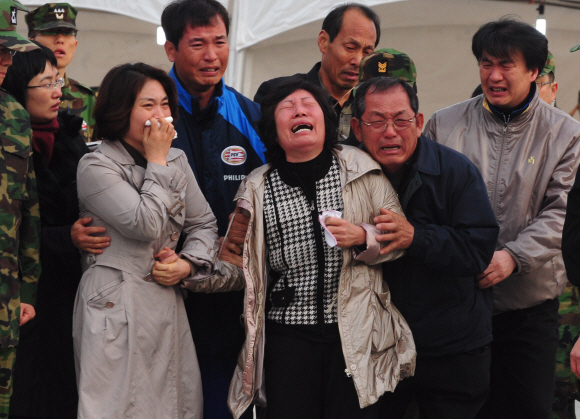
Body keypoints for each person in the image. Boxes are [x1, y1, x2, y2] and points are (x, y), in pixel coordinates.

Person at [218, 78, 415, 419]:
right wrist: (190, 271)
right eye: (287, 107)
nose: (300, 111)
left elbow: (399, 242)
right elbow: (238, 264)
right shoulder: (256, 187)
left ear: (325, 118)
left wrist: (362, 236)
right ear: (273, 128)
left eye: (308, 104)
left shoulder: (361, 169)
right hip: (287, 340)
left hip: (353, 333)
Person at [423, 18, 580, 419]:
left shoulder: (566, 135)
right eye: (486, 63)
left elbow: (563, 211)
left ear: (533, 70)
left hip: (528, 310)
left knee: (525, 408)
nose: (493, 75)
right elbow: (425, 204)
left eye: (506, 65)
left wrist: (512, 256)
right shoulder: (445, 124)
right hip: (458, 305)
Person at [72, 62, 239, 419]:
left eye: (165, 104)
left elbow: (204, 224)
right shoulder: (96, 165)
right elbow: (144, 224)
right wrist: (158, 160)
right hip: (113, 299)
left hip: (166, 295)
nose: (161, 115)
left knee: (174, 404)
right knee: (117, 405)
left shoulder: (175, 159)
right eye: (148, 105)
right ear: (121, 110)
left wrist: (187, 263)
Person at [349, 76, 498, 419]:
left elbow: (478, 250)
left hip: (450, 348)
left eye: (401, 120)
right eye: (376, 121)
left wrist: (415, 237)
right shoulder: (341, 171)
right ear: (357, 127)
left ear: (418, 123)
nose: (390, 132)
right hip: (372, 347)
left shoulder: (455, 171)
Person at [161, 1, 265, 417]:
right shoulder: (147, 109)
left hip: (226, 297)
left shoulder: (250, 115)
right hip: (160, 287)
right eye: (197, 44)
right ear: (171, 50)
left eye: (220, 42)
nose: (212, 55)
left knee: (220, 401)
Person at [1, 43, 107, 419]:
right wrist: (66, 237)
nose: (57, 90)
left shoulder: (70, 138)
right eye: (45, 83)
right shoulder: (11, 144)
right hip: (22, 295)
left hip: (71, 291)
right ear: (16, 89)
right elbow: (13, 230)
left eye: (57, 80)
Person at [254, 3, 380, 144]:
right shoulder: (278, 94)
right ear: (323, 42)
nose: (358, 61)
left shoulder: (374, 103)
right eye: (350, 47)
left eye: (367, 52)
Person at [0, 1, 40, 417]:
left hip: (6, 298)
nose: (6, 61)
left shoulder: (13, 114)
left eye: (10, 51)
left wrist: (28, 286)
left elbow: (28, 207)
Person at [26, 3, 96, 142]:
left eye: (67, 32)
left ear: (75, 44)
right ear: (31, 42)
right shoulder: (20, 92)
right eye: (50, 32)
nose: (60, 40)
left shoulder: (86, 97)